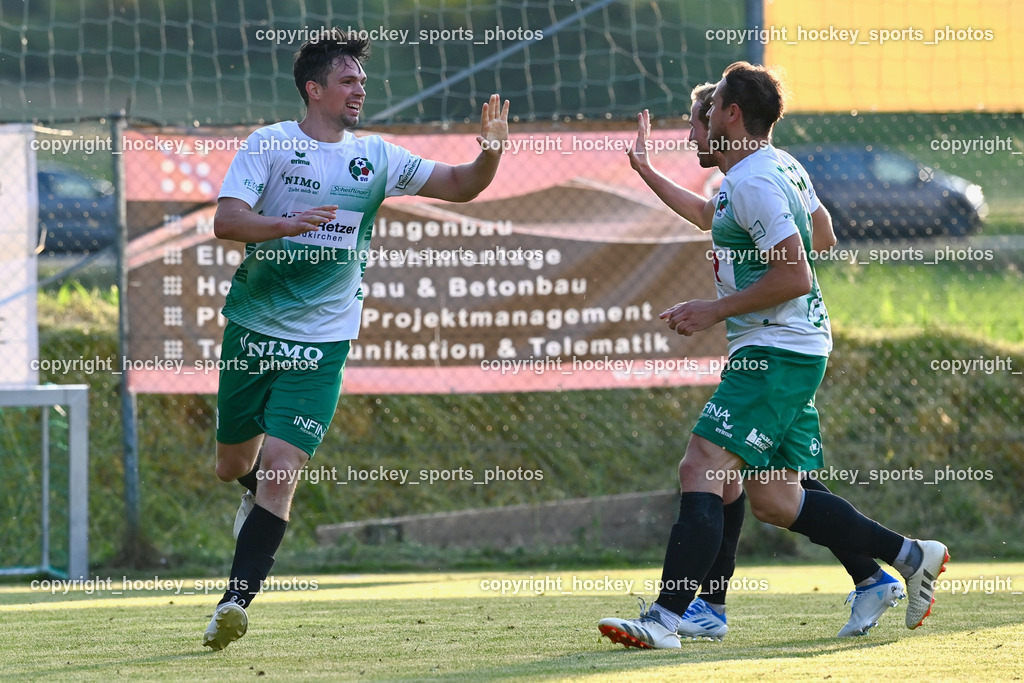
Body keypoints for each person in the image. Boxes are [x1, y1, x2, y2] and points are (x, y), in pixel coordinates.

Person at [599, 62, 947, 650]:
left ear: (732, 115)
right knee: (778, 499)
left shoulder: (754, 181)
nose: (701, 124)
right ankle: (909, 556)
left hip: (775, 350)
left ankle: (665, 619)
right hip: (793, 345)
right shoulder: (777, 168)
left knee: (701, 465)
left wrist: (715, 309)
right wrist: (649, 173)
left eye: (708, 113)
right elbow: (821, 234)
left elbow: (797, 273)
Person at [203, 31, 510, 650]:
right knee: (233, 465)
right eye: (348, 81)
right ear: (314, 89)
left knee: (283, 471)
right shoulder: (269, 144)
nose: (360, 90)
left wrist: (491, 154)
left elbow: (461, 184)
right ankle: (257, 495)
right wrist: (283, 224)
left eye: (363, 82)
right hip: (254, 330)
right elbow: (226, 220)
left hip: (323, 342)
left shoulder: (377, 155)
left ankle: (234, 603)